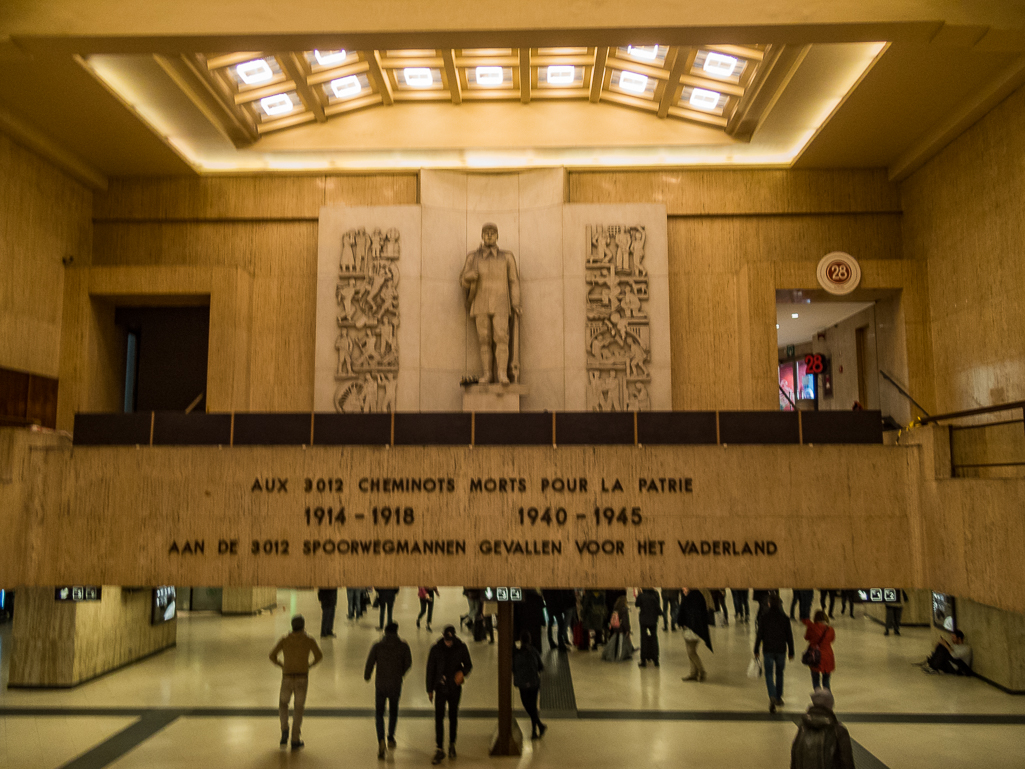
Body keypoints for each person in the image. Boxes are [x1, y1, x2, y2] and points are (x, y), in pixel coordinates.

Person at [460, 223, 521, 384]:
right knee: (484, 339)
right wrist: (469, 276)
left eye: (492, 232)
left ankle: (502, 373)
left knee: (501, 338)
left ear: (497, 236)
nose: (489, 235)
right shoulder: (473, 257)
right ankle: (487, 374)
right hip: (480, 302)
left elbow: (514, 281)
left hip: (501, 302)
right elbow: (463, 281)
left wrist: (516, 302)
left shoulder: (507, 257)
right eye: (486, 233)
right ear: (482, 235)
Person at [269, 615, 323, 750]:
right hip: (302, 677)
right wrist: (309, 665)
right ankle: (295, 738)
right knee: (299, 708)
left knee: (283, 703)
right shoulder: (308, 640)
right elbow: (319, 656)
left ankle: (284, 730)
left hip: (287, 676)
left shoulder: (285, 640)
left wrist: (281, 664)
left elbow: (272, 655)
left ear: (292, 626)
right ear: (303, 626)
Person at [364, 621, 413, 758]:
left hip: (381, 684)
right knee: (393, 711)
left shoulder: (378, 646)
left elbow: (370, 662)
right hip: (395, 684)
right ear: (397, 631)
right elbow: (408, 662)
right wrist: (400, 673)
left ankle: (380, 740)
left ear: (385, 632)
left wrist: (367, 676)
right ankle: (390, 737)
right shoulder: (403, 646)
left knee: (379, 713)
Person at [426, 625, 473, 764]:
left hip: (454, 688)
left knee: (453, 716)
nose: (448, 643)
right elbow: (430, 669)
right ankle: (439, 747)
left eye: (450, 640)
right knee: (438, 718)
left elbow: (469, 665)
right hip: (440, 688)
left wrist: (462, 673)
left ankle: (452, 744)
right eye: (446, 640)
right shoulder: (436, 649)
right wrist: (429, 689)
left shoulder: (461, 647)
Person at [790, 688, 855, 769]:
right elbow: (847, 763)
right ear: (830, 705)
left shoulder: (803, 727)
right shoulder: (838, 730)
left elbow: (795, 757)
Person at [754, 594, 795, 712]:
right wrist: (791, 651)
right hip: (781, 650)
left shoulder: (764, 618)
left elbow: (759, 635)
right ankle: (778, 697)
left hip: (768, 649)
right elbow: (789, 637)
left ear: (769, 604)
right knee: (780, 673)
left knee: (768, 674)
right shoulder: (785, 618)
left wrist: (756, 649)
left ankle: (771, 695)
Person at [512, 631, 547, 739]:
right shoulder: (534, 651)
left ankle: (538, 727)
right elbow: (541, 666)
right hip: (534, 683)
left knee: (528, 706)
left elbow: (512, 668)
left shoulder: (516, 654)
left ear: (521, 641)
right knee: (533, 707)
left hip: (523, 684)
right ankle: (535, 730)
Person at [679, 588, 712, 681]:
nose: (683, 590)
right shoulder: (687, 598)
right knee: (689, 651)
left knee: (691, 652)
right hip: (687, 629)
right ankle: (693, 673)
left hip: (695, 629)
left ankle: (702, 671)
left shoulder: (696, 598)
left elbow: (696, 614)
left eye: (685, 588)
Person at [802, 611, 836, 690]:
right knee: (826, 682)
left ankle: (818, 699)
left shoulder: (812, 627)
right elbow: (832, 639)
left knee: (815, 680)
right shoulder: (830, 629)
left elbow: (806, 637)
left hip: (815, 657)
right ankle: (827, 700)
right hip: (828, 657)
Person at [602, 594, 634, 661]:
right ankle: (620, 656)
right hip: (621, 629)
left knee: (614, 643)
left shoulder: (615, 608)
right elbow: (625, 621)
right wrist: (627, 630)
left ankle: (609, 654)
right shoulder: (624, 609)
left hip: (616, 629)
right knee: (622, 644)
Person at [636, 588, 662, 667]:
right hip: (653, 619)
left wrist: (639, 594)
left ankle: (643, 660)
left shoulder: (642, 596)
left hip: (643, 620)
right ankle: (656, 659)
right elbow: (658, 607)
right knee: (654, 638)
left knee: (643, 639)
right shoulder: (655, 594)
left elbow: (637, 604)